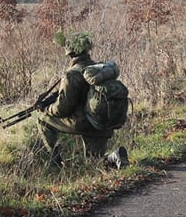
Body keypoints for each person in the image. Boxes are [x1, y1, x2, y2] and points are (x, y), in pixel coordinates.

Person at [38, 32, 128, 169]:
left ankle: (54, 162)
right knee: (95, 164)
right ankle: (115, 155)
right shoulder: (97, 69)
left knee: (42, 119)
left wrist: (46, 108)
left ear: (69, 53)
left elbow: (62, 108)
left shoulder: (72, 74)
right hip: (102, 123)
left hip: (85, 123)